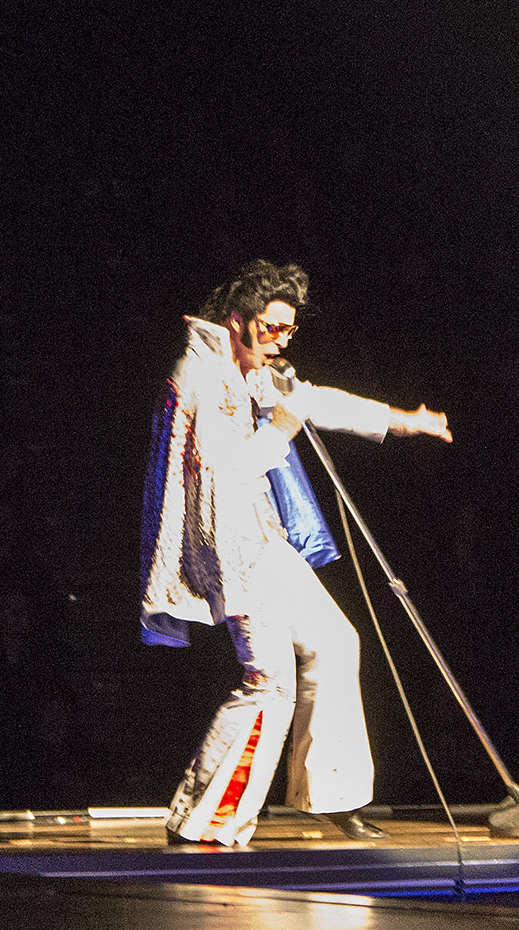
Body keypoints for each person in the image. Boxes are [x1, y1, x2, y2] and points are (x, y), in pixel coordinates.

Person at [139, 260, 451, 847]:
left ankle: (334, 797)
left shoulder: (247, 370)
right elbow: (222, 474)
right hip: (230, 548)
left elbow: (316, 402)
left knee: (335, 641)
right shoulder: (201, 375)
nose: (283, 340)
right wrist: (280, 428)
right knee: (270, 682)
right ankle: (202, 818)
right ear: (239, 320)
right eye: (273, 327)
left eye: (289, 329)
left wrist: (401, 422)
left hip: (264, 541)